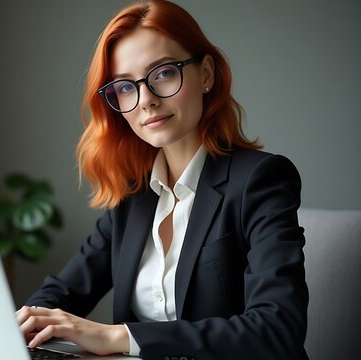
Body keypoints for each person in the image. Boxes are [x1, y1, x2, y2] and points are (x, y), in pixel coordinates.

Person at [16, 1, 309, 359]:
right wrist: (30, 321)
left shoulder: (260, 180)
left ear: (206, 74)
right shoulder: (132, 195)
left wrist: (118, 338)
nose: (146, 100)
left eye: (164, 73)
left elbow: (277, 329)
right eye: (125, 86)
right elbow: (61, 292)